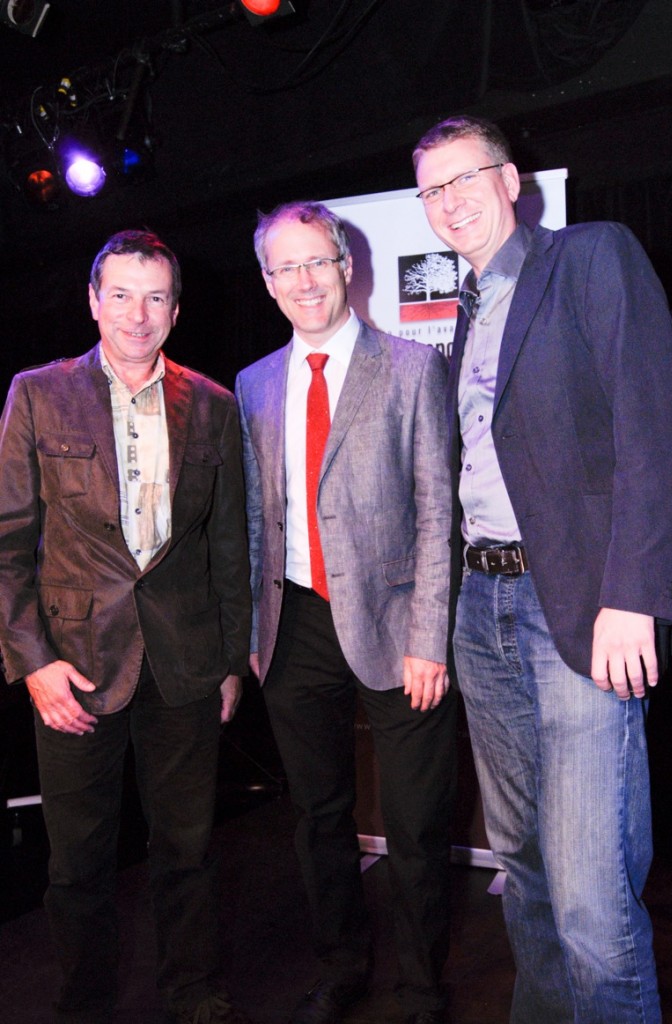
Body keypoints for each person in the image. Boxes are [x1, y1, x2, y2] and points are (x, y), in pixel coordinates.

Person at [413, 114, 672, 1023]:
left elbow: (651, 428)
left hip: (571, 603)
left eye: (464, 178)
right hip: (480, 606)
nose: (449, 201)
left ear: (511, 180)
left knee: (587, 893)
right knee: (522, 868)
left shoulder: (590, 256)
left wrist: (633, 595)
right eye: (431, 189)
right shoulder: (464, 308)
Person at [0, 230, 255, 1024]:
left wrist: (231, 662)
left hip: (184, 662)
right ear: (92, 301)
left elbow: (228, 546)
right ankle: (84, 1005)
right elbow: (7, 541)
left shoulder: (214, 405)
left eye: (154, 297)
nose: (136, 314)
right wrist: (32, 662)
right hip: (74, 665)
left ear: (175, 311)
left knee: (188, 849)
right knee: (78, 864)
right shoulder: (38, 394)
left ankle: (194, 994)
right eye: (120, 294)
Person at [235, 201, 456, 1024]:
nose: (303, 281)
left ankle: (422, 987)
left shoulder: (409, 368)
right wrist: (250, 638)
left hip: (401, 633)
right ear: (267, 282)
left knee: (415, 825)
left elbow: (439, 512)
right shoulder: (253, 384)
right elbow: (254, 518)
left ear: (346, 265)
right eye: (284, 267)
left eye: (316, 262)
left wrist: (429, 637)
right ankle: (341, 966)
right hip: (291, 630)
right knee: (317, 817)